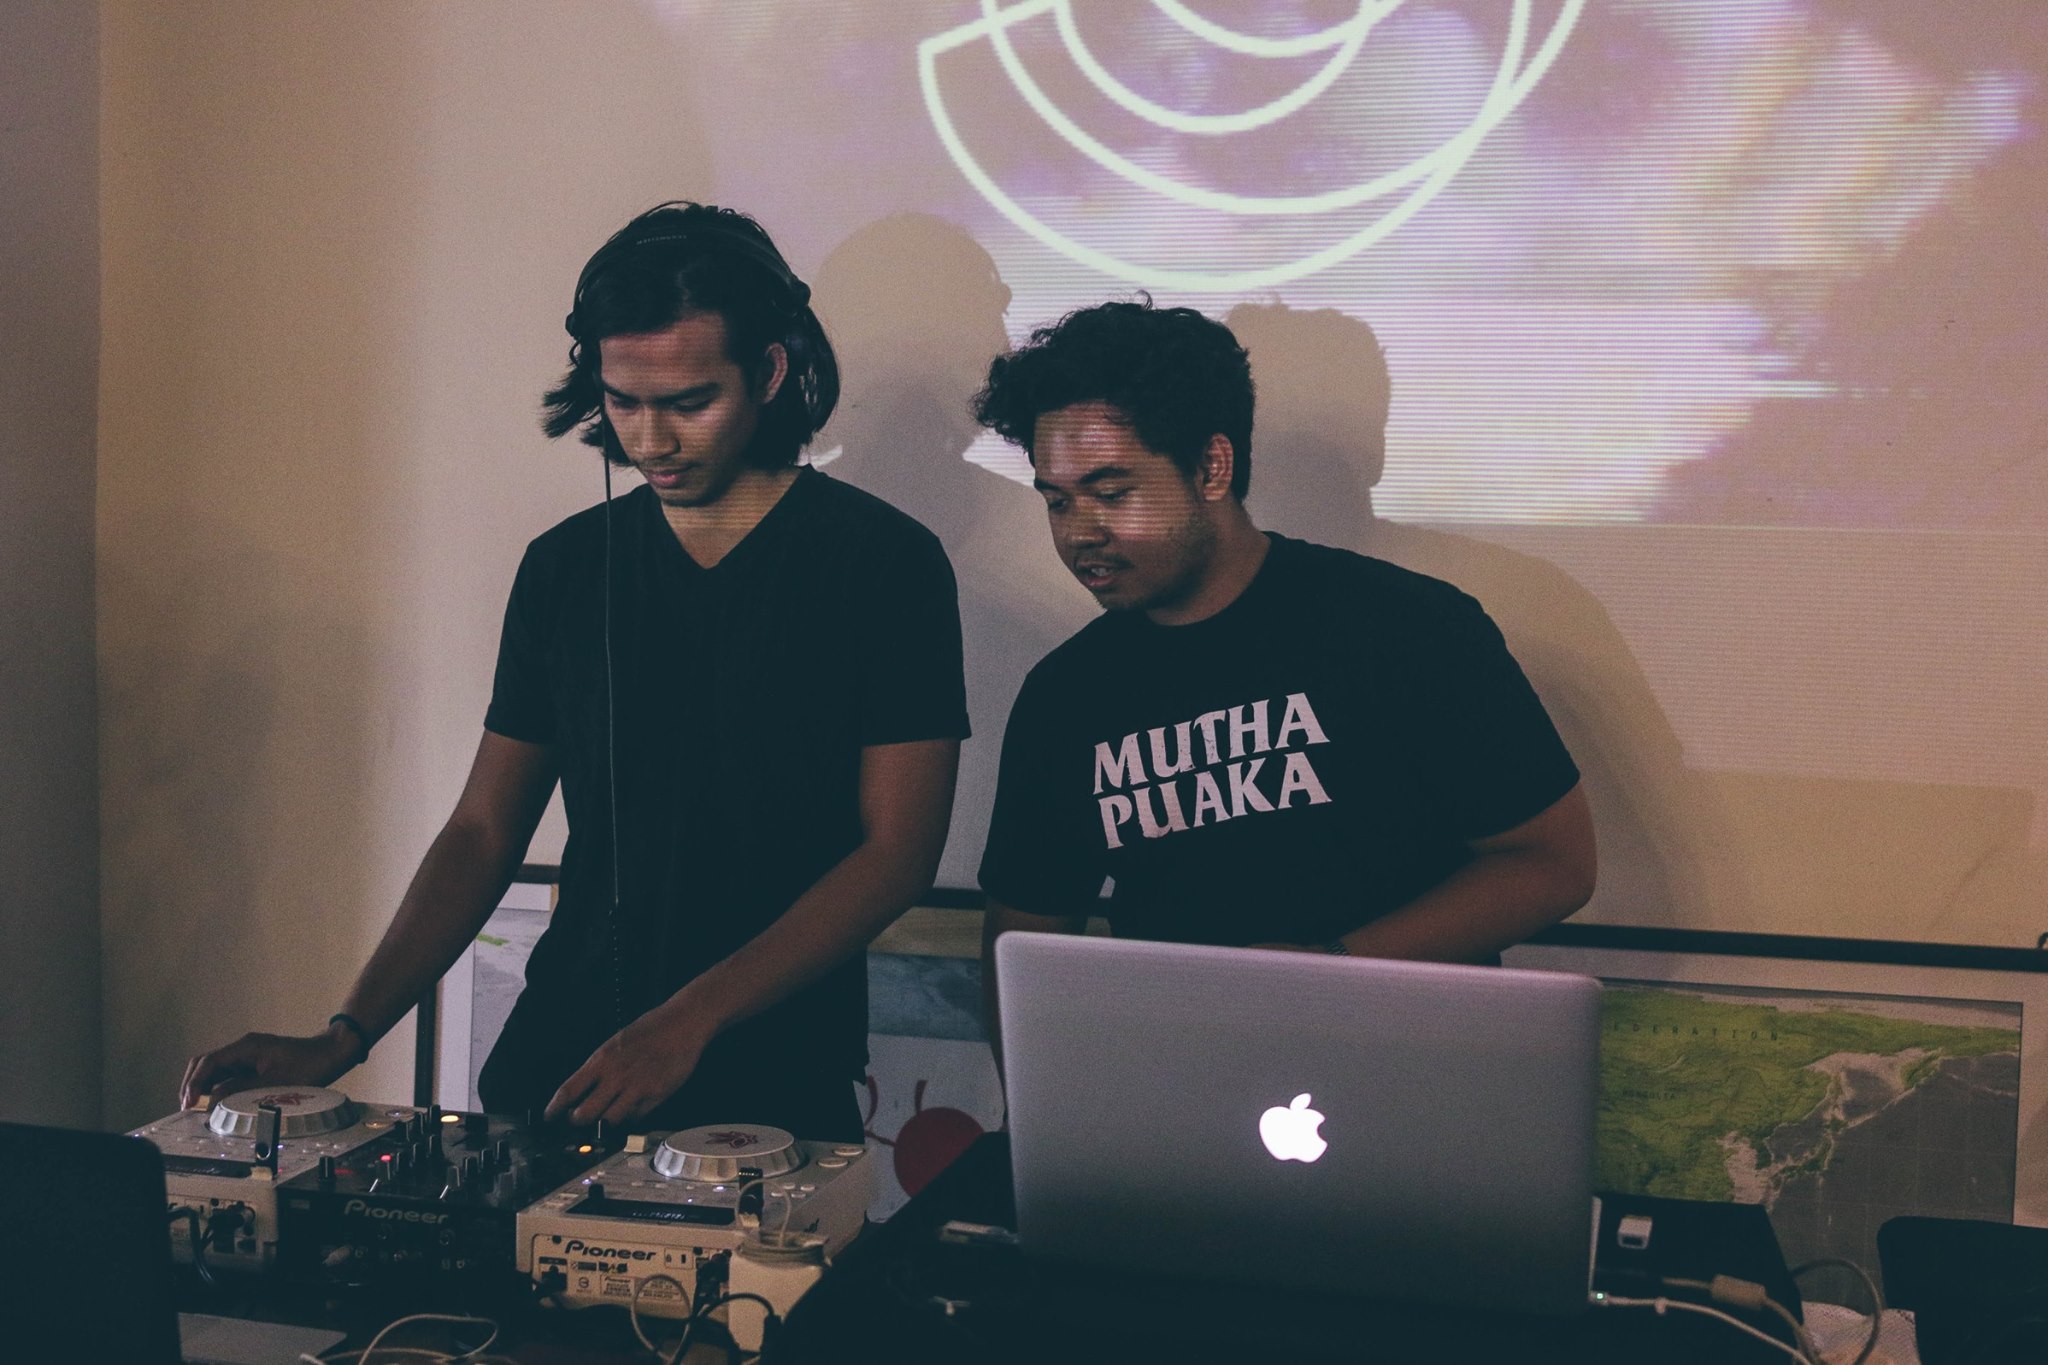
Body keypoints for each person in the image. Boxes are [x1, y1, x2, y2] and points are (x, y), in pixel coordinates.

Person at [182, 204, 968, 1140]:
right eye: (623, 402)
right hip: (562, 1073)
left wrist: (688, 1020)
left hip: (774, 1084)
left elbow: (895, 854)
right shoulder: (564, 567)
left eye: (689, 403)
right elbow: (483, 828)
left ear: (769, 372)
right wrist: (344, 1034)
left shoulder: (884, 564)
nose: (650, 441)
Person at [972, 300, 1594, 1052]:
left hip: (1417, 1069)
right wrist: (1042, 1111)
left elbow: (1553, 863)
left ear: (1211, 467)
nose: (1080, 533)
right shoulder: (1065, 697)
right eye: (1057, 501)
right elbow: (1023, 951)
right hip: (1185, 1089)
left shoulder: (1406, 627)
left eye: (1112, 493)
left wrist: (1328, 970)